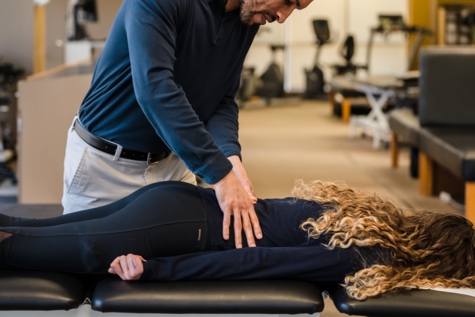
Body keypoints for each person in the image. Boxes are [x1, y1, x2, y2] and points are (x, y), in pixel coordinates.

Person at [62, 0, 331, 250]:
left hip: (173, 166)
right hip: (106, 165)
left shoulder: (248, 17)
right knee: (93, 281)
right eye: (288, 0)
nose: (283, 16)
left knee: (172, 277)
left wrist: (230, 156)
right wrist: (218, 173)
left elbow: (222, 98)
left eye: (294, 8)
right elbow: (155, 89)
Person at [1, 180, 474, 300]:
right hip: (176, 230)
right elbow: (256, 264)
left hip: (176, 201)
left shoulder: (371, 219)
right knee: (17, 246)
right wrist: (158, 270)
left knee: (25, 227)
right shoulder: (366, 254)